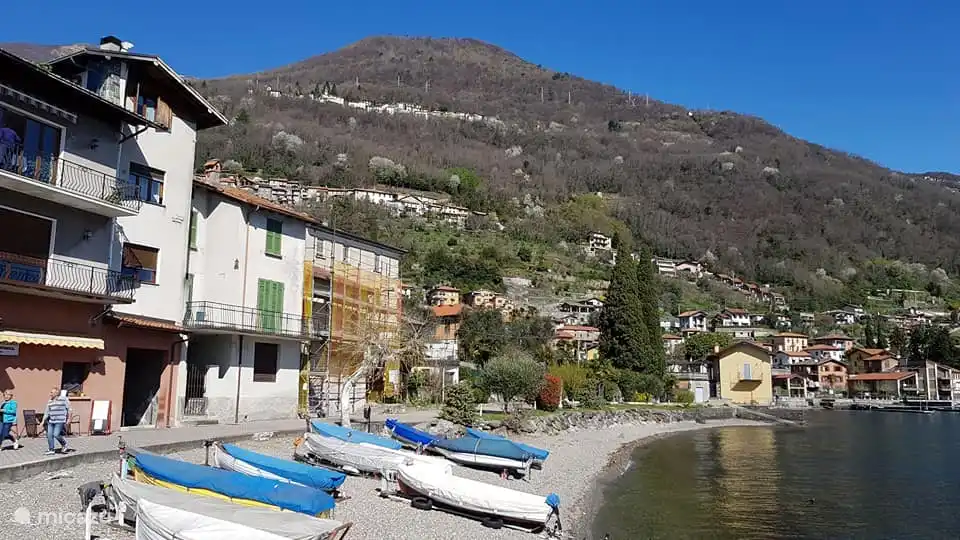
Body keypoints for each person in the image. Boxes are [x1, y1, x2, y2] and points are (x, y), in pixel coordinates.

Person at [40, 387, 70, 455]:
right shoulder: (50, 401)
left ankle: (64, 444)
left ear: (56, 393)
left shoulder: (64, 399)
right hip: (51, 421)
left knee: (56, 434)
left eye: (51, 392)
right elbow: (47, 412)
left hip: (60, 421)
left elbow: (69, 410)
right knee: (49, 435)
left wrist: (69, 419)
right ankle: (51, 449)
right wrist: (42, 421)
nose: (50, 394)